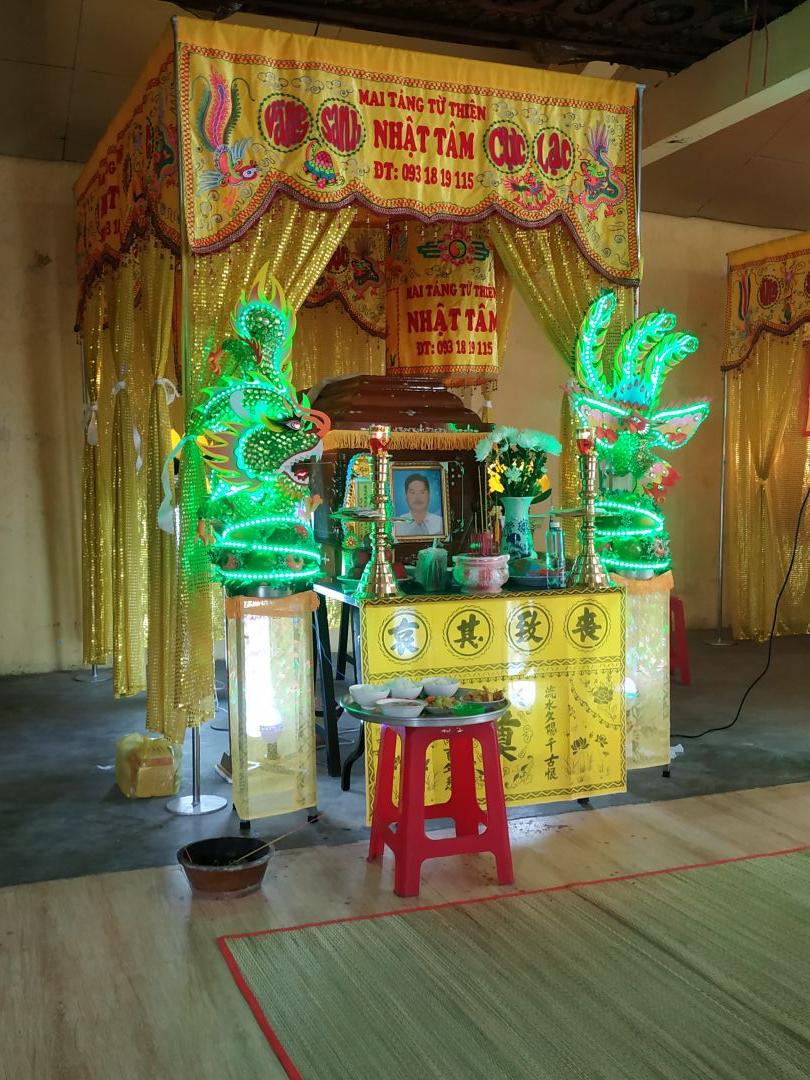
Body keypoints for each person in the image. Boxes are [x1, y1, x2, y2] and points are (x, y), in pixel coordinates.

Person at [395, 473, 444, 537]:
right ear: (406, 496)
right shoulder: (397, 525)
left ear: (429, 495)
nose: (418, 497)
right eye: (413, 493)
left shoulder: (441, 523)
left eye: (422, 492)